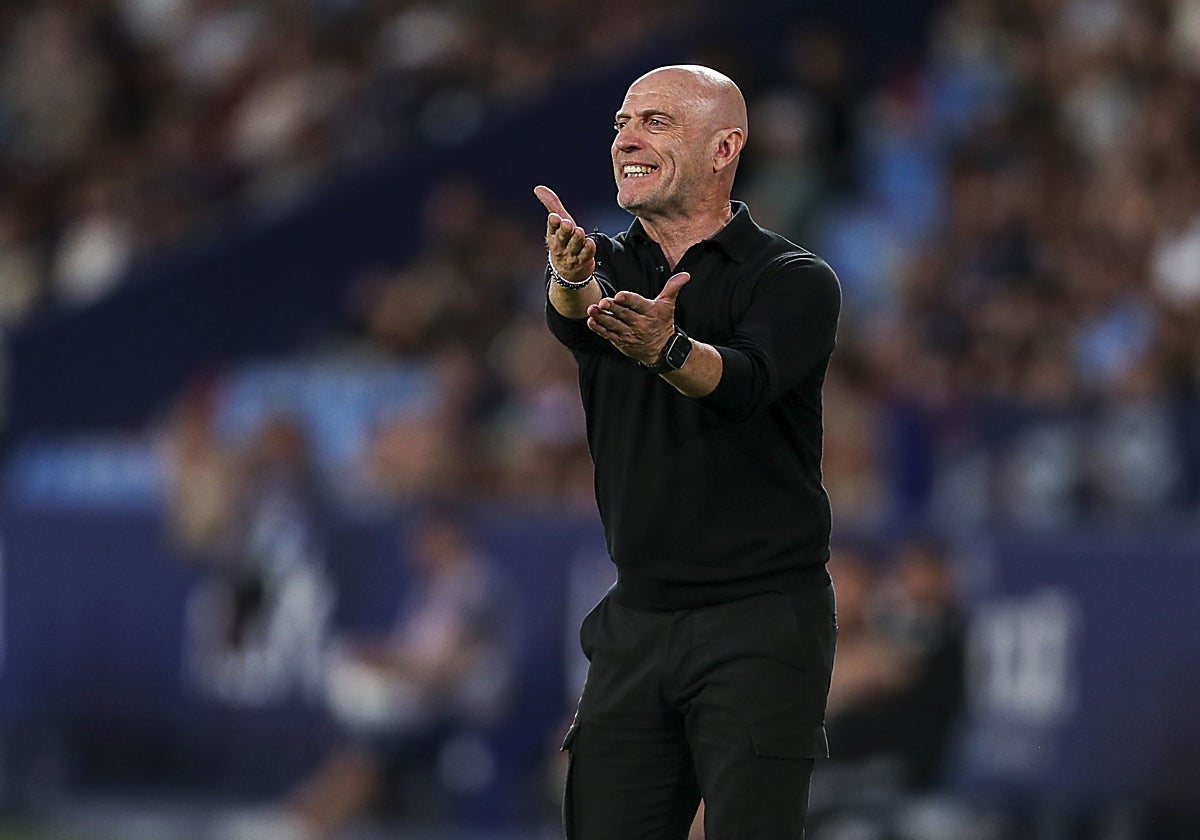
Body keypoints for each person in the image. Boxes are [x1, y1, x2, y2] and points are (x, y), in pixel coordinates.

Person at [534, 64, 842, 839]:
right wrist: (567, 278)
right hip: (636, 618)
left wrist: (667, 349)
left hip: (760, 622)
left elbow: (744, 383)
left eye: (656, 122)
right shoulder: (607, 263)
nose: (627, 139)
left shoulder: (792, 280)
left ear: (724, 146)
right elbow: (574, 313)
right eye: (621, 122)